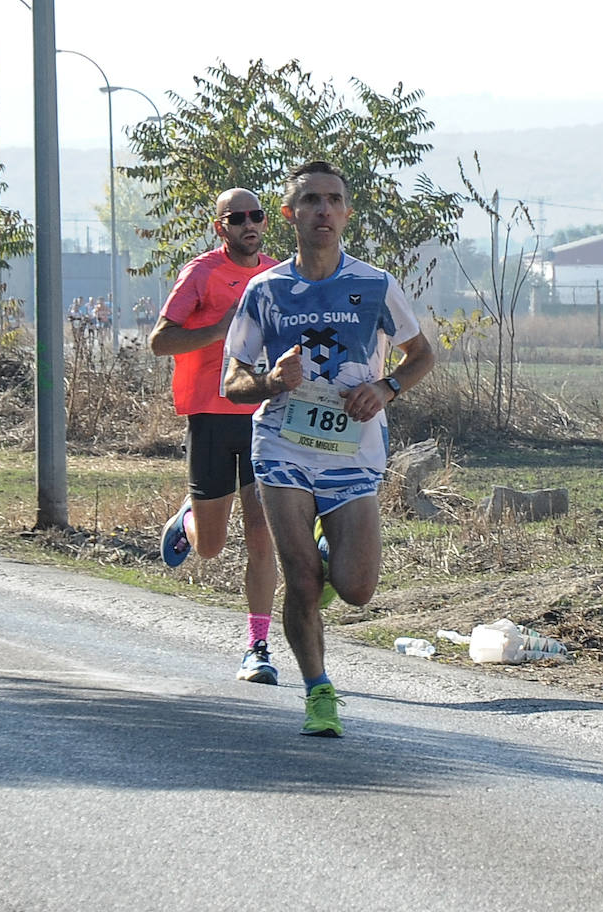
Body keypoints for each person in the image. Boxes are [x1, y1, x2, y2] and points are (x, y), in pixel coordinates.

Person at [223, 160, 435, 737]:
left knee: (358, 589)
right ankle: (319, 691)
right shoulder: (264, 291)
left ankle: (324, 538)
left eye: (333, 200)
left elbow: (422, 356)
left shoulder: (375, 284)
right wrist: (272, 381)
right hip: (282, 445)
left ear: (346, 213)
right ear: (289, 215)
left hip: (351, 453)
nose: (323, 210)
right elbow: (232, 381)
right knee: (302, 578)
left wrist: (386, 387)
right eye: (311, 200)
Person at [150, 188, 281, 685]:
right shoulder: (201, 273)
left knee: (260, 534)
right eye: (237, 217)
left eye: (256, 216)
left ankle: (258, 646)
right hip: (209, 415)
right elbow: (161, 340)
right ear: (219, 226)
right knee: (210, 547)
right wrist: (221, 329)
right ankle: (188, 522)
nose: (249, 224)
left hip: (262, 414)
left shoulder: (276, 276)